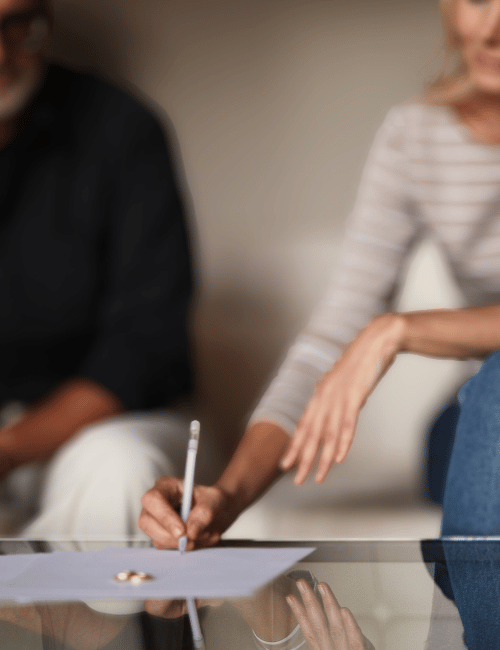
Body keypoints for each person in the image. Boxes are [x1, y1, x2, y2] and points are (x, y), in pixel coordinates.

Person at [139, 0, 500, 549]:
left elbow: (376, 329)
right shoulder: (417, 136)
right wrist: (227, 497)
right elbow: (333, 336)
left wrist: (397, 330)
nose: (490, 31)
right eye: (477, 0)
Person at [0, 0, 204, 540]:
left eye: (15, 25)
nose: (0, 53)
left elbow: (143, 345)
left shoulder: (120, 128)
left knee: (122, 474)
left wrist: (8, 449)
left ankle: (79, 624)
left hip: (95, 424)